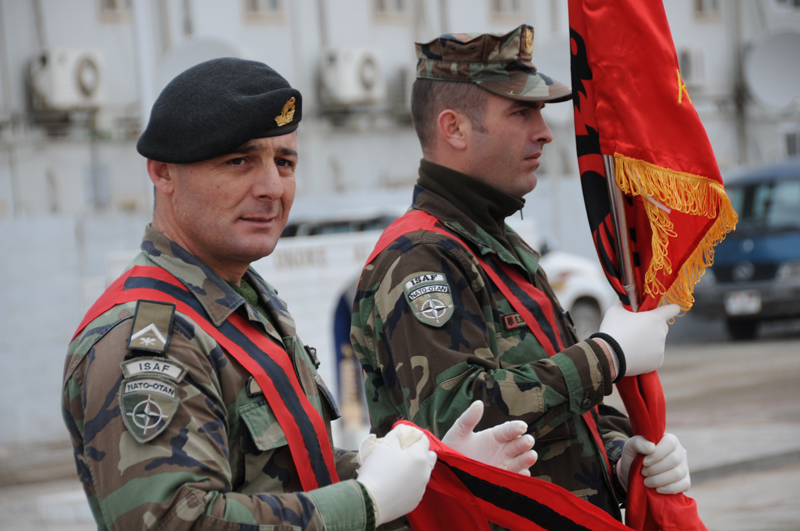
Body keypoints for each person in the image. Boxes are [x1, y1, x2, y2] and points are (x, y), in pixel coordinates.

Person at [61, 58, 537, 531]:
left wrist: (435, 468)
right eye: (239, 161)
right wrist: (366, 500)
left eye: (284, 162)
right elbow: (175, 521)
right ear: (163, 173)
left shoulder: (242, 303)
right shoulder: (146, 337)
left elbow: (293, 473)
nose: (272, 187)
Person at [351, 25, 691, 521]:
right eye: (520, 111)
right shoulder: (422, 256)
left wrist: (620, 455)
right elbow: (458, 419)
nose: (545, 130)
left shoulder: (497, 244)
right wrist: (607, 357)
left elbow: (557, 412)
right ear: (455, 129)